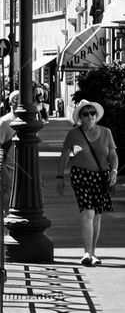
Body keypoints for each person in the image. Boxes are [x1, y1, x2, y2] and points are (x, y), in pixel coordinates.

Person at [56, 100, 119, 266]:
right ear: (80, 118)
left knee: (97, 216)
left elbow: (113, 155)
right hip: (80, 176)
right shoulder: (74, 134)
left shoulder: (106, 132)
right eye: (86, 114)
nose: (90, 116)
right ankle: (86, 253)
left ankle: (93, 252)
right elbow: (64, 155)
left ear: (96, 116)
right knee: (88, 212)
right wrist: (60, 178)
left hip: (101, 177)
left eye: (92, 113)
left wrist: (114, 171)